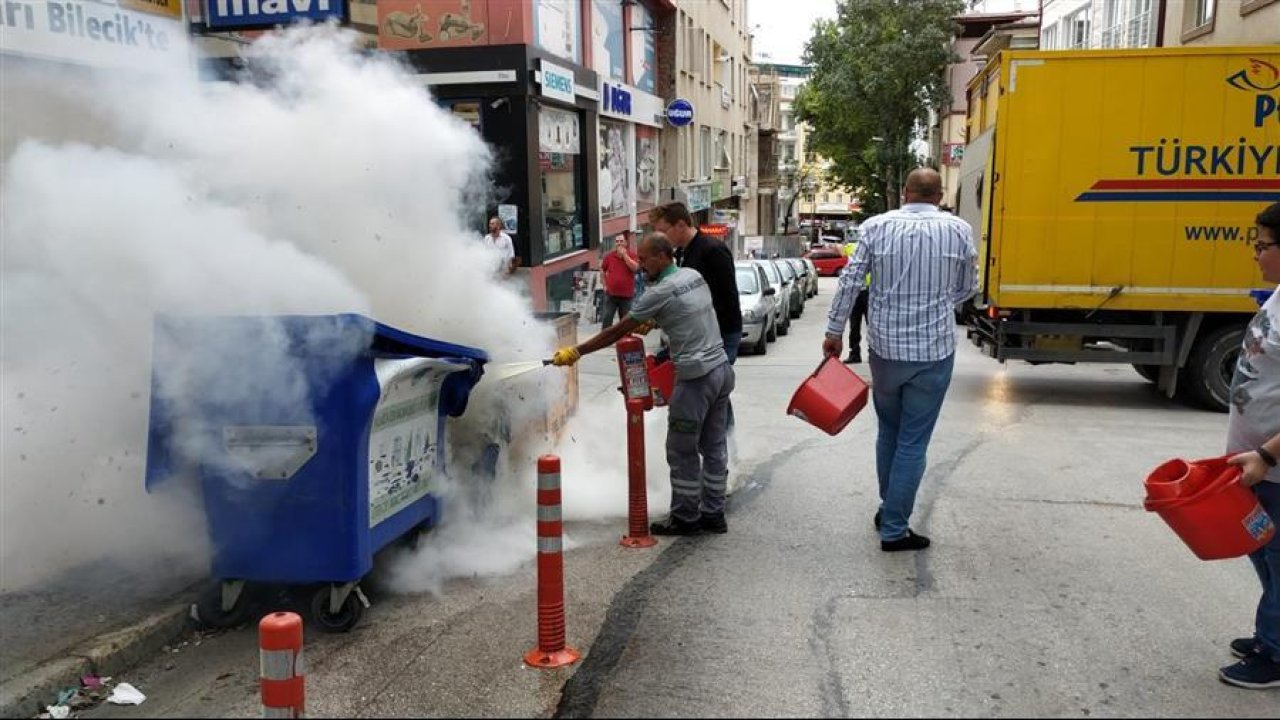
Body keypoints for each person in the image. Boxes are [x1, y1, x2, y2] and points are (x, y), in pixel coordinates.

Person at [821, 168, 977, 552]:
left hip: (886, 351)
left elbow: (850, 280)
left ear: (905, 193)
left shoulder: (875, 227)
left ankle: (887, 506)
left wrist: (834, 331)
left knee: (888, 432)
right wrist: (940, 305)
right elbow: (968, 286)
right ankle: (894, 527)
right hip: (933, 351)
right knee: (913, 441)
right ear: (939, 195)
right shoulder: (958, 230)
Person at [551, 233, 735, 536]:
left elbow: (616, 332)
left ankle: (686, 517)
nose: (641, 265)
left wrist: (576, 352)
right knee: (714, 446)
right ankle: (714, 514)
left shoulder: (659, 291)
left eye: (646, 259)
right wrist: (660, 319)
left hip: (695, 378)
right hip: (721, 371)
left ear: (663, 256)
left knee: (682, 450)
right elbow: (690, 313)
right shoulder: (693, 276)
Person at [1218, 200, 1280, 690]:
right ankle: (1270, 633)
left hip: (1274, 466)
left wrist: (1266, 454)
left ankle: (1276, 654)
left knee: (1278, 558)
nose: (1255, 255)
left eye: (1262, 246)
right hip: (1258, 463)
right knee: (1261, 552)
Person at [648, 202, 742, 363]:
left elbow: (726, 299)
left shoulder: (712, 250)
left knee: (705, 385)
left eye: (663, 232)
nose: (660, 238)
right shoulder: (683, 252)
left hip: (718, 335)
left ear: (681, 225)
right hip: (695, 336)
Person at [599, 233, 639, 328]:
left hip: (626, 296)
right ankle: (605, 341)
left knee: (625, 322)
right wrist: (604, 285)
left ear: (626, 243)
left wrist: (625, 255)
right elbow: (602, 270)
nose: (619, 243)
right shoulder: (609, 256)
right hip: (611, 295)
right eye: (617, 241)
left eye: (621, 241)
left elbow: (635, 268)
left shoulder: (632, 255)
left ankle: (625, 341)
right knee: (607, 318)